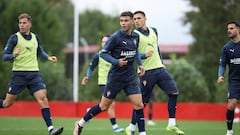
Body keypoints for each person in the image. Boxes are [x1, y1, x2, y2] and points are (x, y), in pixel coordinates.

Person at [74, 11, 146, 135]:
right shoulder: (116, 37)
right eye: (121, 21)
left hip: (130, 77)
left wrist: (140, 64)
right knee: (103, 107)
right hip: (116, 78)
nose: (123, 23)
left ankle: (142, 133)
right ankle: (80, 124)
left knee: (139, 105)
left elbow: (135, 53)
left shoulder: (136, 36)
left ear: (132, 22)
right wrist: (116, 62)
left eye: (126, 21)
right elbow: (103, 53)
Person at [0, 13, 63, 135]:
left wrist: (48, 57)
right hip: (18, 75)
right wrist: (13, 55)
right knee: (7, 103)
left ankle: (51, 129)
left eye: (24, 23)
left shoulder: (35, 37)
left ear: (30, 24)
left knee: (43, 98)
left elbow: (40, 52)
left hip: (34, 74)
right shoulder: (14, 38)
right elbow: (4, 57)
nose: (22, 25)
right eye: (20, 23)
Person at [125, 11, 184, 135]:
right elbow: (132, 55)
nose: (136, 21)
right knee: (141, 103)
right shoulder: (134, 35)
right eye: (134, 19)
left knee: (174, 92)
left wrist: (161, 62)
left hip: (160, 69)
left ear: (145, 19)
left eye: (139, 18)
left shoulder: (154, 31)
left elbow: (157, 49)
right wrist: (144, 56)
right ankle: (131, 127)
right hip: (146, 73)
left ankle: (172, 124)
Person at [81, 34, 124, 132]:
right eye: (103, 41)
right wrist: (87, 76)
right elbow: (91, 67)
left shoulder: (116, 54)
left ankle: (90, 111)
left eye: (106, 41)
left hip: (114, 82)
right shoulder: (99, 55)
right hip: (103, 82)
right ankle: (115, 126)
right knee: (111, 104)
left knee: (105, 105)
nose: (104, 43)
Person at [217, 21, 240, 135]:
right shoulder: (226, 48)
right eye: (228, 28)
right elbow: (222, 64)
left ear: (238, 30)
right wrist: (220, 75)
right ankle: (229, 130)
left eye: (231, 28)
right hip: (234, 80)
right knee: (231, 105)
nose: (229, 30)